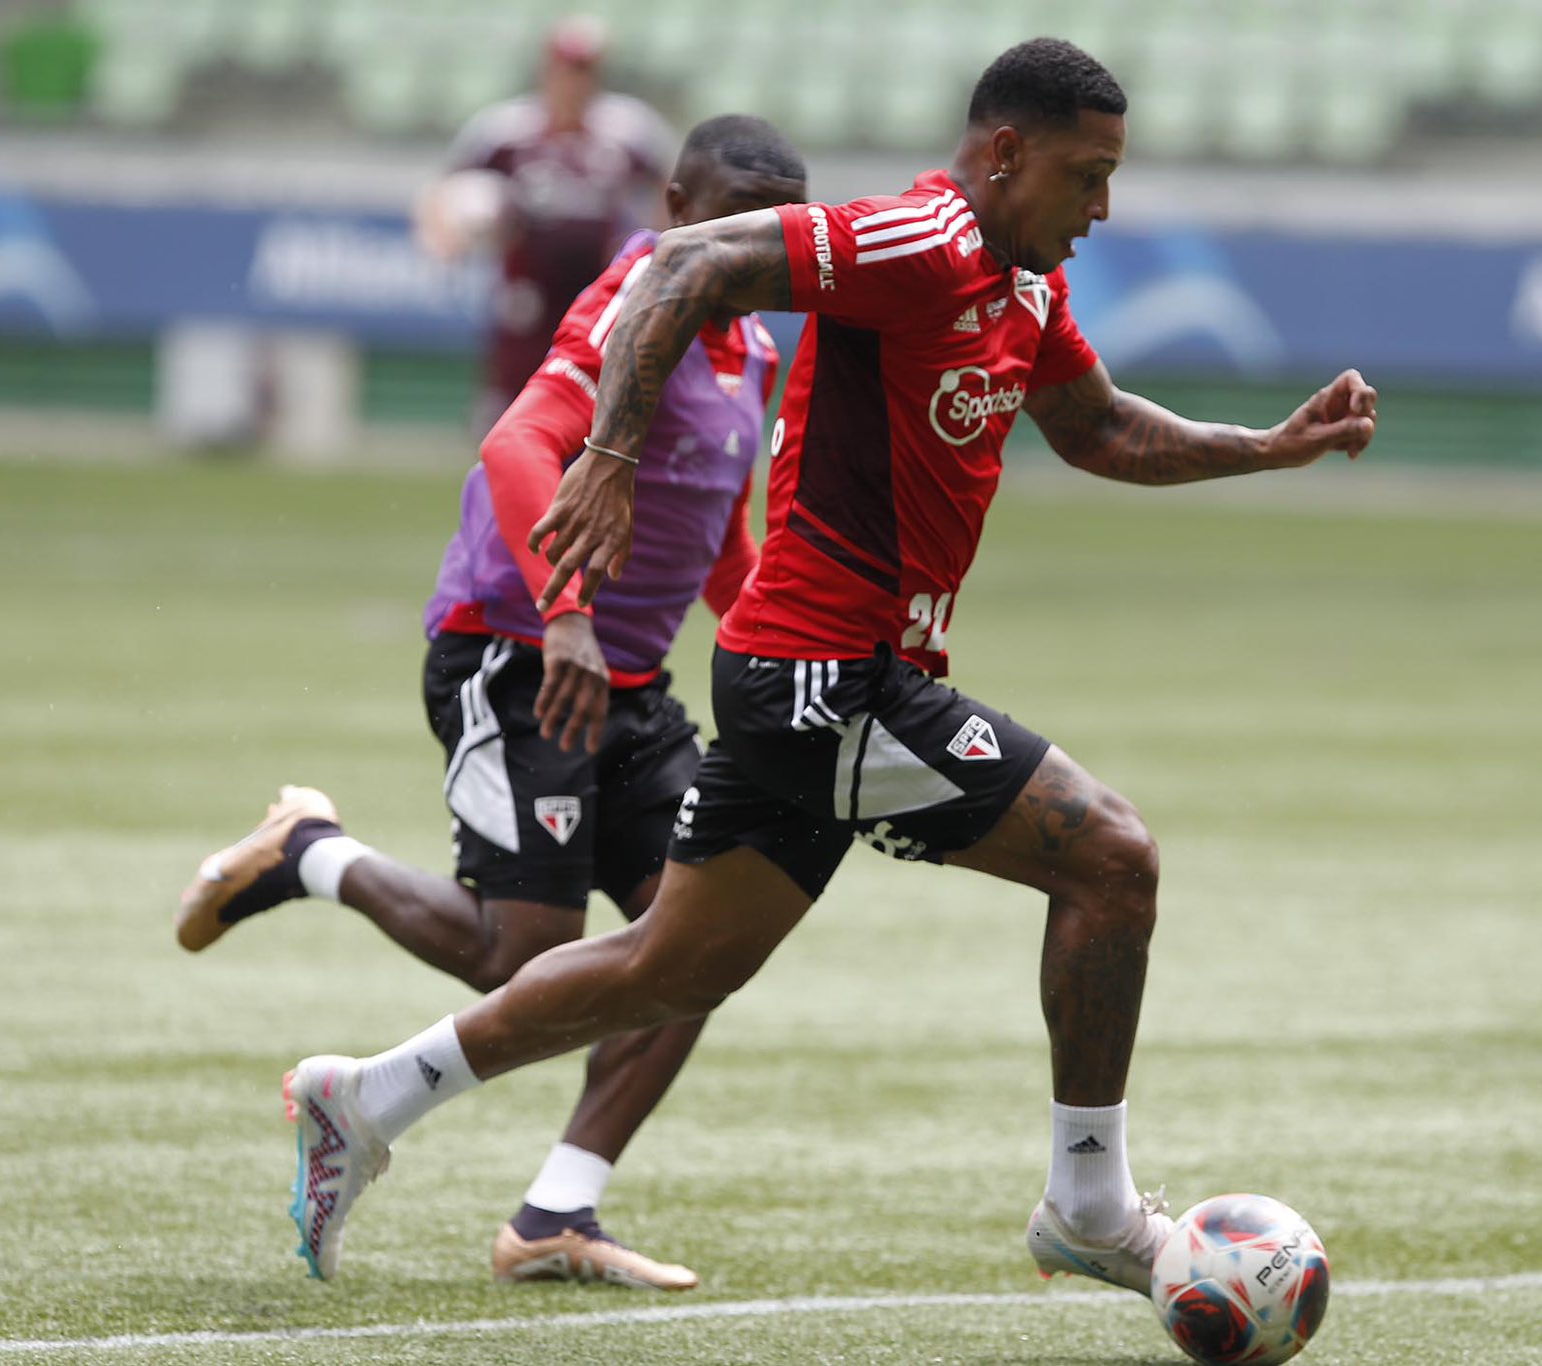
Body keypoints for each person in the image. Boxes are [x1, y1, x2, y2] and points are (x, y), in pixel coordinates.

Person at [278, 38, 1378, 1289]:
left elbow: (1094, 426)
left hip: (805, 675)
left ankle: (364, 1100)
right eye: (1085, 176)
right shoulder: (920, 240)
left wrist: (1266, 447)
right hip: (826, 675)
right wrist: (616, 453)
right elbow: (686, 261)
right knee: (1112, 861)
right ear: (1004, 154)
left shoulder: (1017, 285)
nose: (1102, 209)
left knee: (662, 966)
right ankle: (1089, 1203)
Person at [180, 115, 810, 1285]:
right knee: (511, 951)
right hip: (514, 652)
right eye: (720, 223)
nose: (741, 251)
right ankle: (307, 850)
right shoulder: (637, 307)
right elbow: (515, 448)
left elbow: (720, 528)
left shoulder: (753, 348)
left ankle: (554, 1214)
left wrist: (787, 641)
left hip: (629, 683)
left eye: (765, 235)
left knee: (702, 938)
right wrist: (565, 611)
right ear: (673, 209)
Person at [413, 15, 673, 432]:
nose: (574, 82)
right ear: (548, 69)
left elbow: (671, 188)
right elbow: (443, 191)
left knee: (594, 416)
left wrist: (660, 249)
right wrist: (444, 240)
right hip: (526, 297)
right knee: (512, 417)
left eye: (584, 70)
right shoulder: (505, 130)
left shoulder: (628, 130)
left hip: (599, 294)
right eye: (567, 69)